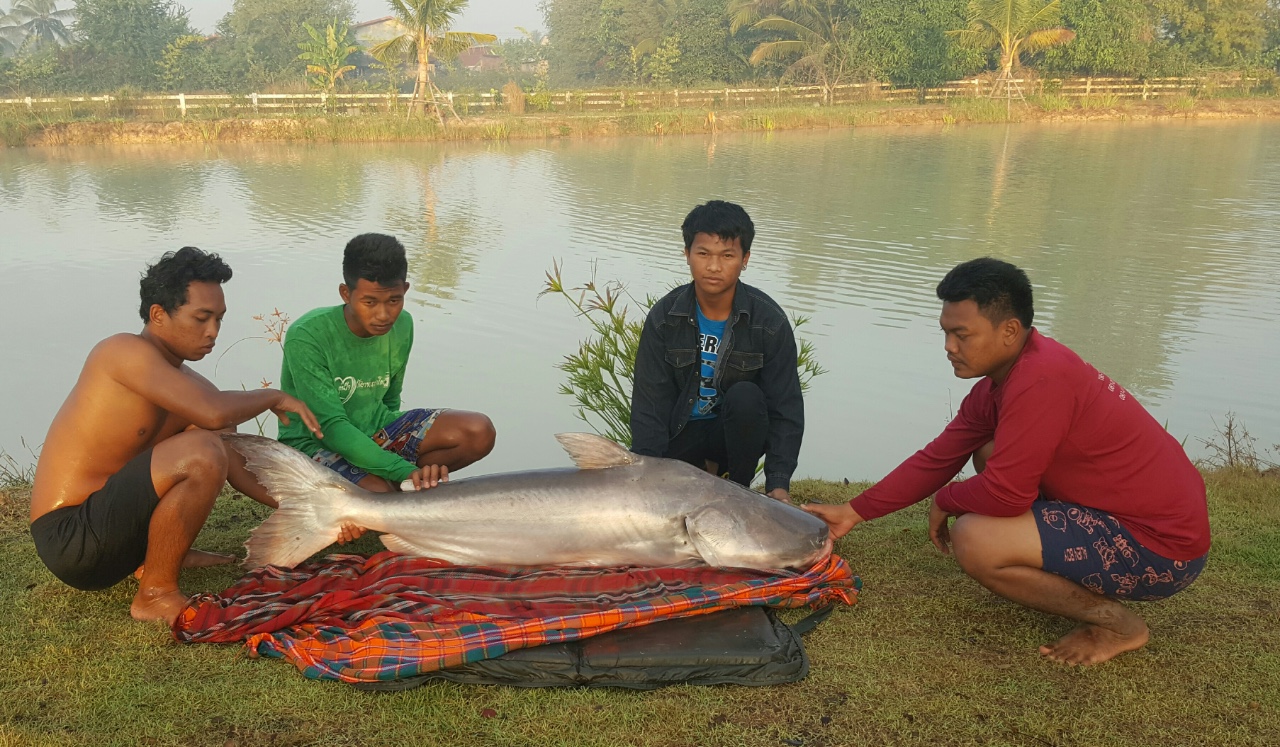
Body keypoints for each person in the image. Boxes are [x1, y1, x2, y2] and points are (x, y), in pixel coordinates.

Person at [804, 257, 1210, 666]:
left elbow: (1007, 495)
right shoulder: (1006, 378)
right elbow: (940, 456)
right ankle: (1069, 565)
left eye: (962, 334)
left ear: (1009, 330)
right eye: (946, 333)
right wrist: (854, 512)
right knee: (988, 451)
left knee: (975, 539)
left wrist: (949, 498)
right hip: (1122, 517)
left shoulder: (1041, 379)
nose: (949, 347)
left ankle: (1118, 625)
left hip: (1161, 550)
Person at [29, 247, 323, 625]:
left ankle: (163, 554)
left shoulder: (186, 384)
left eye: (219, 319)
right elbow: (214, 411)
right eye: (202, 318)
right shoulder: (121, 352)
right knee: (202, 449)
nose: (213, 332)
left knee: (215, 438)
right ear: (158, 314)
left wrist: (319, 508)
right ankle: (155, 594)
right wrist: (274, 396)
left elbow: (235, 456)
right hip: (71, 539)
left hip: (117, 534)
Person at [277, 233, 495, 522]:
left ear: (405, 289)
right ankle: (395, 483)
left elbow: (390, 400)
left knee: (478, 431)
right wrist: (402, 469)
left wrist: (394, 461)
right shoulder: (307, 335)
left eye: (394, 300)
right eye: (370, 302)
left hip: (377, 429)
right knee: (381, 500)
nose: (384, 315)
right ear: (345, 293)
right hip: (316, 444)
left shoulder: (403, 325)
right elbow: (330, 427)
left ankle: (400, 483)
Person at [630, 200, 804, 503]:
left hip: (732, 437)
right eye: (703, 254)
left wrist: (778, 485)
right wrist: (648, 476)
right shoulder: (664, 318)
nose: (713, 266)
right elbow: (650, 405)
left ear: (745, 258)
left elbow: (785, 409)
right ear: (687, 255)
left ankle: (737, 490)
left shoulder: (769, 323)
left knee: (747, 397)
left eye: (727, 255)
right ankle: (695, 475)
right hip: (680, 436)